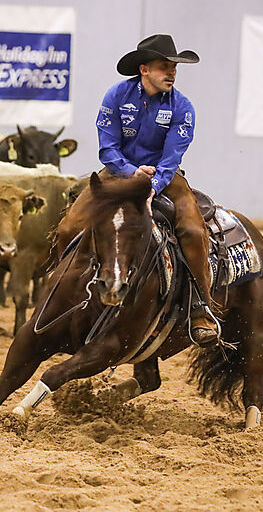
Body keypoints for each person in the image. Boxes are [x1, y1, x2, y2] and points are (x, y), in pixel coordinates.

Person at [60, 34, 219, 346]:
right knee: (68, 227)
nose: (171, 73)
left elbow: (172, 157)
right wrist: (131, 173)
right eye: (164, 67)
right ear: (144, 69)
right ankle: (63, 292)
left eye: (174, 67)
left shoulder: (183, 107)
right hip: (118, 171)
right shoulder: (116, 96)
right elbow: (108, 148)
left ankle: (201, 307)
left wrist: (152, 185)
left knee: (193, 230)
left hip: (165, 177)